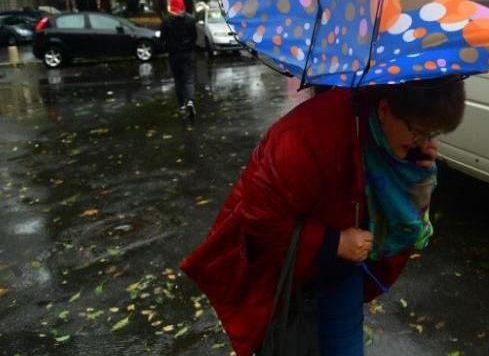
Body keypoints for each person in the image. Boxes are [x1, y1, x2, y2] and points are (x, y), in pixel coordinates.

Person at [180, 77, 466, 356]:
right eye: (418, 131)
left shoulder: (392, 139)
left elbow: (401, 222)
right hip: (286, 269)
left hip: (342, 272)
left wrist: (414, 176)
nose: (423, 141)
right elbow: (259, 215)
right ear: (384, 110)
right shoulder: (306, 137)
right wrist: (334, 243)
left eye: (432, 134)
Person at [160, 0, 197, 117]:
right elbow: (194, 36)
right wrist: (190, 46)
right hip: (188, 53)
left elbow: (162, 39)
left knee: (178, 80)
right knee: (188, 79)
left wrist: (167, 48)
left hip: (174, 55)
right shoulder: (190, 19)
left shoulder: (166, 21)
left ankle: (181, 106)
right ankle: (191, 101)